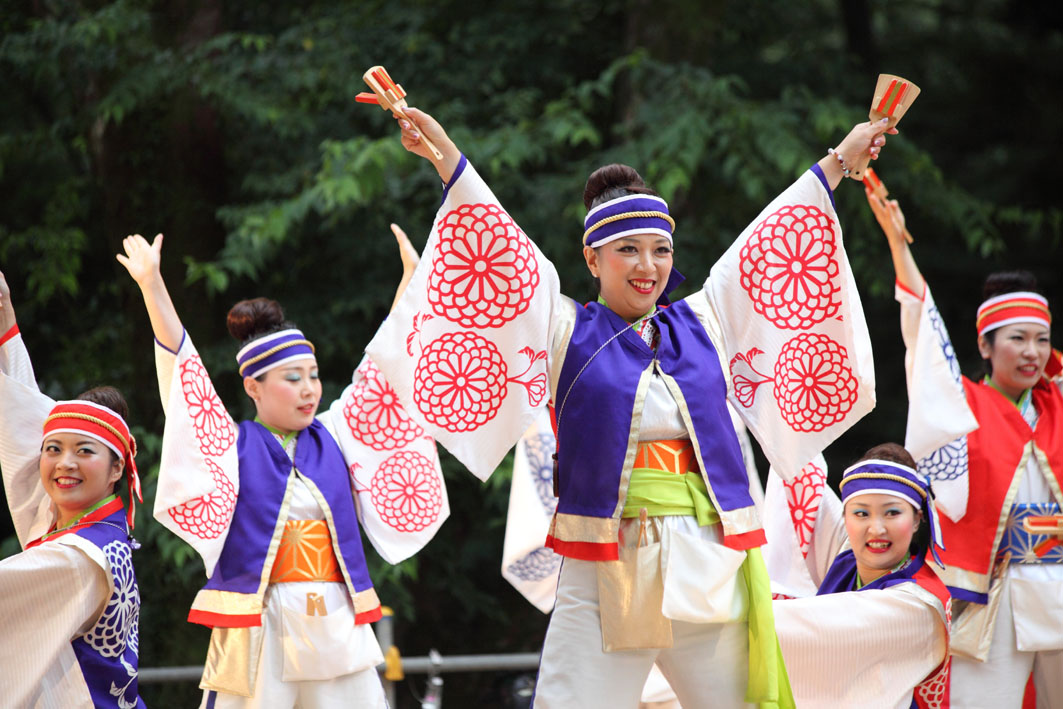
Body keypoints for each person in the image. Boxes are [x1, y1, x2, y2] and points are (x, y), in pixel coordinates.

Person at [365, 102, 895, 707]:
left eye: (660, 251)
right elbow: (502, 249)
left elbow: (771, 240)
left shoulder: (706, 322)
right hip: (604, 565)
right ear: (592, 259)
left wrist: (839, 162)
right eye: (628, 251)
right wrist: (444, 157)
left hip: (707, 558)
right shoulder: (565, 331)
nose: (648, 266)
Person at [117, 225, 447, 708]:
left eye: (313, 376)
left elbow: (384, 372)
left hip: (335, 614)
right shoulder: (232, 445)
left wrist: (410, 287)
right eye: (293, 378)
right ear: (253, 386)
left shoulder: (337, 433)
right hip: (259, 620)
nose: (310, 389)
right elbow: (185, 381)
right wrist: (153, 286)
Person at [869, 188, 1063, 707]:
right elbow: (924, 337)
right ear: (984, 345)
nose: (1032, 352)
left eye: (1042, 339)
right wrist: (898, 246)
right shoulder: (960, 406)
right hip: (991, 591)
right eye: (1017, 338)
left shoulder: (1058, 403)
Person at [0, 269, 144, 708]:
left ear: (117, 467)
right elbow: (19, 411)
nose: (64, 463)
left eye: (84, 452)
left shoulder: (80, 557)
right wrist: (5, 312)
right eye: (53, 449)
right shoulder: (70, 526)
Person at [767, 444, 951, 708]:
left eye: (892, 513)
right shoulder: (846, 559)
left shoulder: (920, 605)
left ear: (917, 518)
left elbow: (820, 628)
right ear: (845, 517)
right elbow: (794, 463)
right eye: (861, 513)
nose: (876, 529)